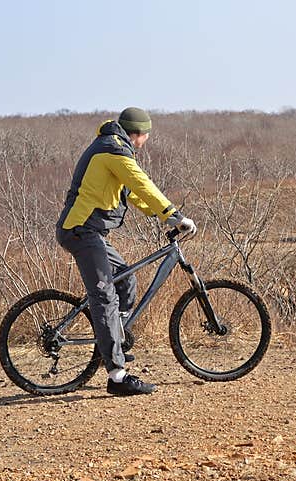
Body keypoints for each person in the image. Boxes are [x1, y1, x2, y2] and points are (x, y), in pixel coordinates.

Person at [55, 107, 196, 396]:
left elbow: (131, 194)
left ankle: (114, 343)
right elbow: (141, 184)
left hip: (91, 231)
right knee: (104, 295)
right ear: (139, 133)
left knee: (125, 280)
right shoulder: (113, 150)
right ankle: (117, 376)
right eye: (146, 135)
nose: (145, 142)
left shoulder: (114, 147)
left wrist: (163, 217)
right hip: (81, 230)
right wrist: (174, 215)